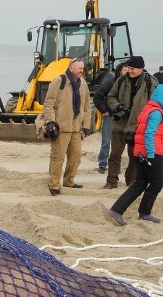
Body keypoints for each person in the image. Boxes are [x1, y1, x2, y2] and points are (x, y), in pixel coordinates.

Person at [108, 85, 163, 226]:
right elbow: (149, 134)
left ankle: (117, 210)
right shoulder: (156, 113)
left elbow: (157, 130)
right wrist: (150, 154)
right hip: (151, 153)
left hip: (141, 152)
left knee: (140, 183)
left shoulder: (149, 109)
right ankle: (144, 213)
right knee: (156, 184)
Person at [105, 56, 157, 189]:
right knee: (115, 153)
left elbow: (155, 104)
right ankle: (111, 181)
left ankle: (131, 180)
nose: (129, 70)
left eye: (132, 68)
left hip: (137, 125)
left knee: (134, 156)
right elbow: (111, 96)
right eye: (128, 68)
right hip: (120, 124)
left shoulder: (150, 82)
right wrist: (117, 107)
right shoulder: (121, 80)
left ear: (141, 69)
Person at [42, 58, 91, 196]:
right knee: (58, 158)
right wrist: (50, 121)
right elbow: (48, 103)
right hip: (61, 127)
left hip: (76, 128)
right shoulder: (59, 81)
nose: (82, 70)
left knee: (76, 157)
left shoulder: (83, 83)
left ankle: (69, 180)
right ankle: (54, 185)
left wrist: (86, 125)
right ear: (71, 68)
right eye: (79, 68)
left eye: (83, 68)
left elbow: (87, 107)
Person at [94, 62, 128, 174]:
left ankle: (115, 166)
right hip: (110, 116)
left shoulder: (131, 85)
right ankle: (102, 164)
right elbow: (98, 97)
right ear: (119, 71)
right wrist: (104, 110)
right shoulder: (110, 82)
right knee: (106, 141)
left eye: (129, 70)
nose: (127, 72)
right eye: (125, 70)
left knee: (118, 143)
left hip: (123, 118)